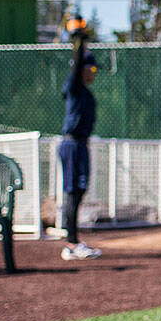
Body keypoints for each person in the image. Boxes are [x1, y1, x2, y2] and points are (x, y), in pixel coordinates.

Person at [59, 29, 102, 261]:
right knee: (72, 193)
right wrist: (79, 41)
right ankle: (71, 244)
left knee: (79, 191)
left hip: (81, 145)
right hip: (71, 145)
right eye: (91, 68)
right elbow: (75, 67)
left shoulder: (86, 94)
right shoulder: (74, 88)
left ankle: (73, 241)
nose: (94, 73)